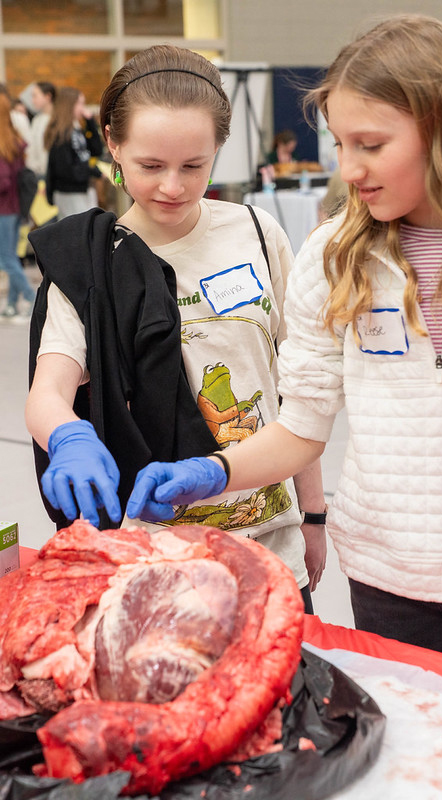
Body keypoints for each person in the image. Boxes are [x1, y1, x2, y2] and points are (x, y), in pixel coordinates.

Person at [124, 15, 442, 677]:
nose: (347, 168)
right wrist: (214, 472)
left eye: (370, 144)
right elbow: (302, 424)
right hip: (387, 580)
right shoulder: (335, 255)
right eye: (340, 143)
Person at [25, 44, 327, 613]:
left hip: (270, 550)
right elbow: (49, 391)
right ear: (113, 144)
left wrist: (313, 515)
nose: (173, 186)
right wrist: (68, 436)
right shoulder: (89, 265)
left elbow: (297, 391)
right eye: (149, 166)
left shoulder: (258, 234)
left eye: (194, 166)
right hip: (153, 563)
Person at [0, 92, 36, 320]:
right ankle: (12, 304)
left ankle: (32, 298)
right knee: (11, 255)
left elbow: (2, 181)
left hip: (3, 208)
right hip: (14, 206)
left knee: (6, 258)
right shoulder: (12, 139)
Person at [44, 86, 103, 219]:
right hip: (69, 192)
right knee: (76, 234)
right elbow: (65, 169)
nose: (83, 108)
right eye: (80, 103)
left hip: (83, 188)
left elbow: (96, 150)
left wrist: (90, 123)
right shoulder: (60, 133)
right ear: (69, 105)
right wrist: (92, 171)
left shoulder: (77, 129)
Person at [27, 81, 56, 177]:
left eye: (35, 96)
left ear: (48, 96)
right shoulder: (36, 120)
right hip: (37, 173)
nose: (32, 100)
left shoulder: (58, 120)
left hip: (54, 175)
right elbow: (32, 147)